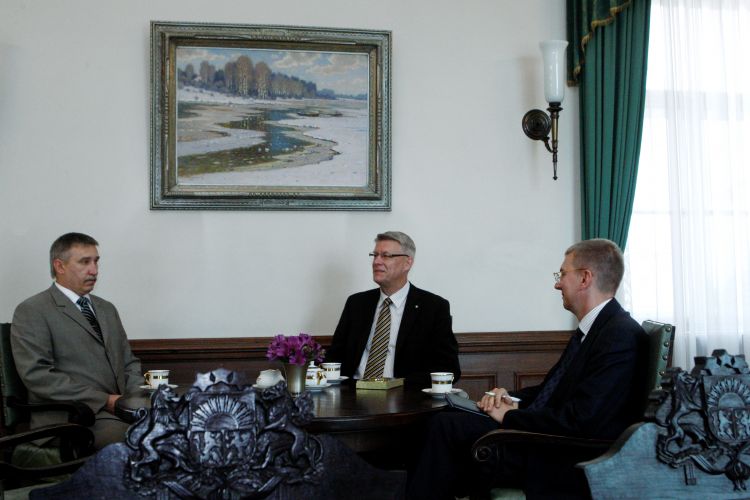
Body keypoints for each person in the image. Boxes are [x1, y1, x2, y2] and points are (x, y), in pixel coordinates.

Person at [407, 239, 648, 499]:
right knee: (447, 417)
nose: (557, 284)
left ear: (584, 278)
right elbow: (550, 391)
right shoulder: (598, 328)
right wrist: (508, 398)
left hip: (562, 457)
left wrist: (510, 416)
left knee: (444, 427)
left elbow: (581, 420)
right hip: (543, 438)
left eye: (562, 274)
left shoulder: (618, 335)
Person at [11, 232, 143, 449]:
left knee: (174, 431)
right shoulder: (33, 310)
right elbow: (38, 376)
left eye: (96, 261)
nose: (94, 270)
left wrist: (137, 398)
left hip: (119, 411)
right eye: (84, 262)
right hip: (71, 419)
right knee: (140, 438)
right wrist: (104, 400)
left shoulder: (107, 309)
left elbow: (129, 362)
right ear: (59, 266)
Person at [327, 231, 461, 388]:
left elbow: (449, 368)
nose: (376, 261)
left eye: (386, 256)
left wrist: (397, 385)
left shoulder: (433, 307)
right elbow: (334, 358)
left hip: (406, 395)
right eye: (375, 255)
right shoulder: (356, 303)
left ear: (407, 263)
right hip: (353, 393)